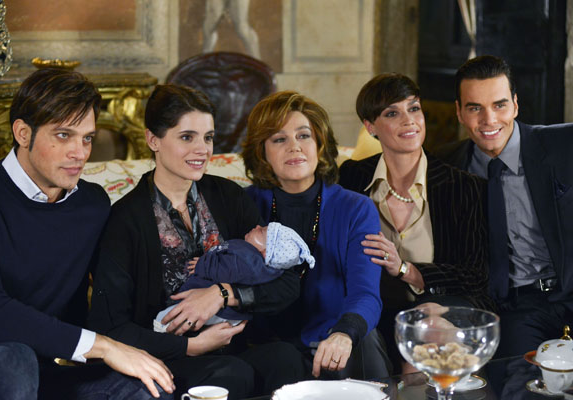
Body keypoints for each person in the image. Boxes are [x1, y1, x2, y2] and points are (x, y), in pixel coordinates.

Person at [87, 84, 306, 399]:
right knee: (231, 373)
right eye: (187, 137)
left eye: (208, 137)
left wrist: (223, 294)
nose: (203, 150)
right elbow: (110, 327)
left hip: (234, 347)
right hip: (165, 357)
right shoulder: (125, 220)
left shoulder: (228, 196)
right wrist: (190, 346)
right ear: (153, 139)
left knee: (285, 358)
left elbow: (288, 284)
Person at [0, 68, 174, 400]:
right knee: (14, 360)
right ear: (23, 133)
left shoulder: (92, 204)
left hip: (58, 368)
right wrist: (103, 347)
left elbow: (122, 288)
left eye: (87, 138)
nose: (80, 153)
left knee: (149, 385)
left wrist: (216, 294)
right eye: (64, 135)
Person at [338, 74, 492, 371]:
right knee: (357, 337)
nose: (409, 120)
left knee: (427, 330)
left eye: (414, 108)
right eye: (392, 113)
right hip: (374, 310)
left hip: (442, 306)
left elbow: (476, 275)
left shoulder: (463, 186)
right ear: (370, 127)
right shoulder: (352, 176)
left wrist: (405, 270)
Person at [241, 90, 392, 380]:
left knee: (363, 342)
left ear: (320, 144)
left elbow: (366, 293)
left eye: (304, 136)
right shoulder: (244, 204)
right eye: (279, 139)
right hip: (269, 348)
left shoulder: (356, 208)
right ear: (262, 151)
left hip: (334, 339)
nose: (294, 147)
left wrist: (344, 334)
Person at [436, 55, 573, 359]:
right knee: (518, 378)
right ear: (459, 112)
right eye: (475, 108)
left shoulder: (564, 144)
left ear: (515, 105)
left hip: (569, 291)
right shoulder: (445, 166)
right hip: (515, 307)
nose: (489, 120)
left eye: (499, 105)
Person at [155, 222, 315, 328]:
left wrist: (203, 265)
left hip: (219, 312)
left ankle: (161, 327)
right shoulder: (251, 255)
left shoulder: (248, 261)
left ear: (266, 252)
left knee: (176, 316)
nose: (257, 226)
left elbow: (225, 271)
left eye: (261, 231)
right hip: (220, 311)